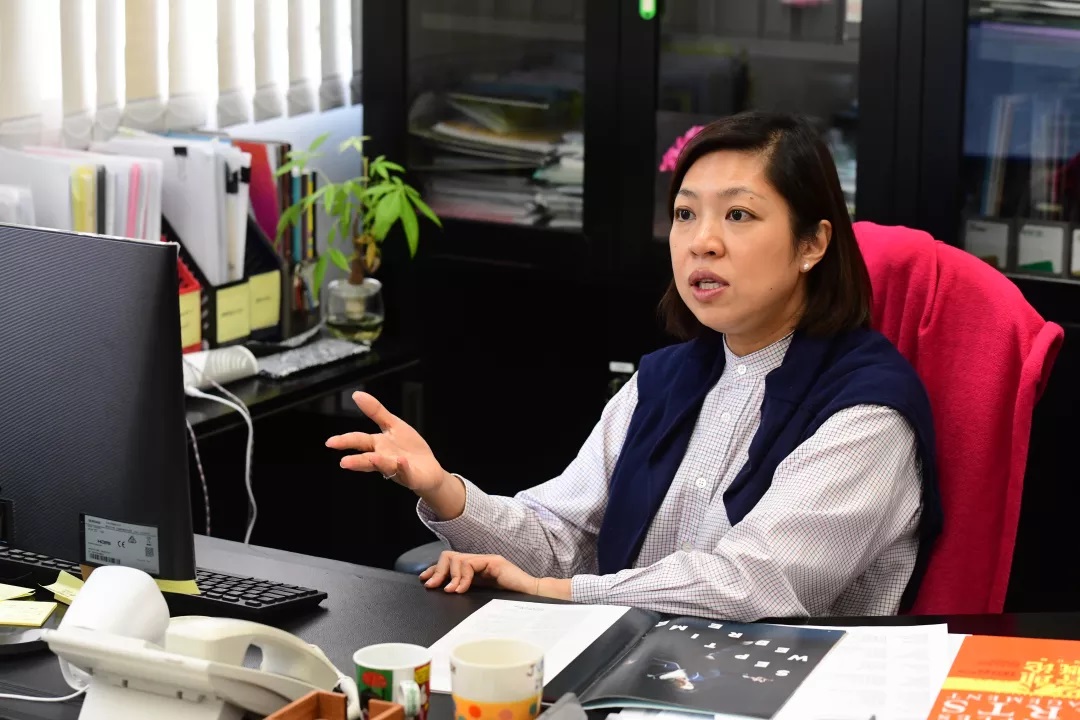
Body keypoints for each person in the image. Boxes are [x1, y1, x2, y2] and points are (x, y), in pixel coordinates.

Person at [326, 111, 942, 621]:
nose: (702, 241)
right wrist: (443, 488)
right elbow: (560, 540)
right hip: (636, 665)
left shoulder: (866, 413)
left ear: (813, 244)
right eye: (685, 214)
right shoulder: (664, 381)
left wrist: (557, 593)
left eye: (738, 215)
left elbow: (752, 586)